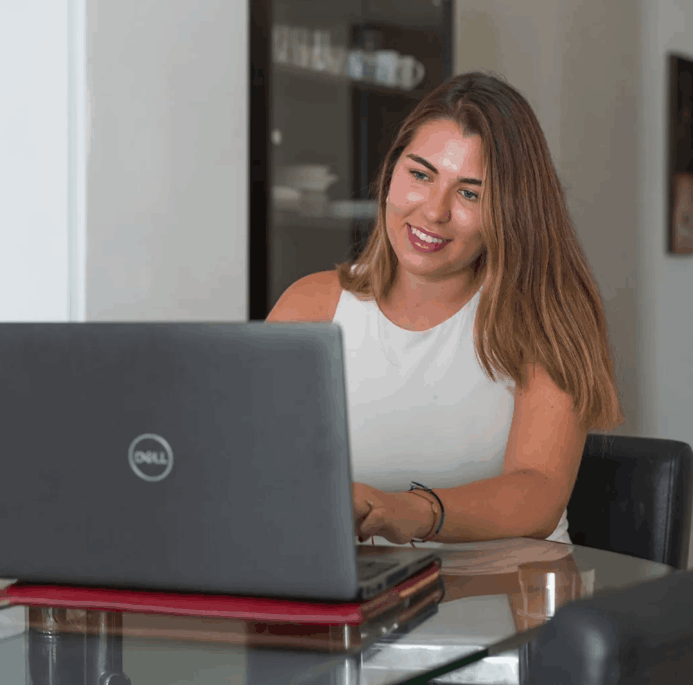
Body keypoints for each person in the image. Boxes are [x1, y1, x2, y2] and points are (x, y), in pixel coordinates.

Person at [267, 72, 623, 548]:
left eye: (470, 193)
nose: (434, 211)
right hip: (354, 602)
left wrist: (415, 511)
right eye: (420, 174)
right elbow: (252, 460)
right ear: (391, 173)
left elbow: (539, 493)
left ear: (511, 210)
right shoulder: (310, 304)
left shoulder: (544, 314)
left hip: (506, 599)